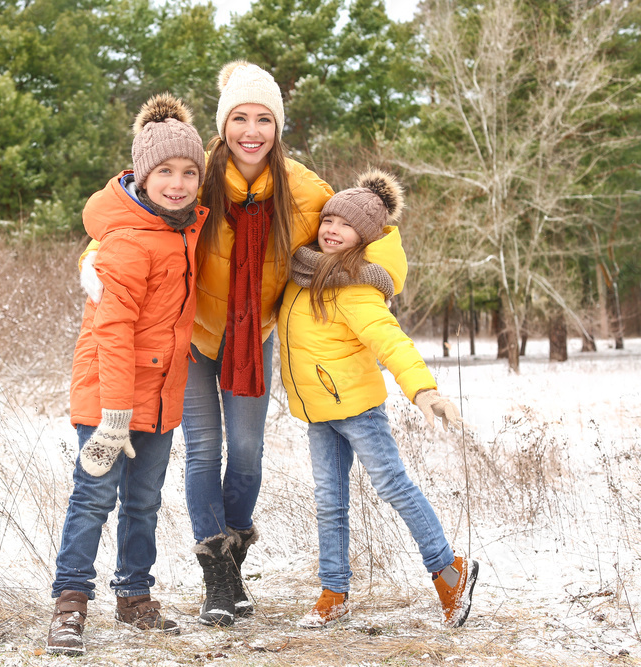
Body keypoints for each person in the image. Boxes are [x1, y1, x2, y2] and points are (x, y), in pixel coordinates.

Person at [81, 60, 408, 627]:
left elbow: (371, 233)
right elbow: (122, 214)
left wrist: (380, 280)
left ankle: (237, 545)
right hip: (194, 337)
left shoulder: (306, 191)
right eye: (238, 118)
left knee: (249, 454)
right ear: (222, 123)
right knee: (204, 451)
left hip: (254, 336)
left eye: (263, 119)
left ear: (279, 126)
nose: (250, 131)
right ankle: (219, 576)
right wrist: (91, 260)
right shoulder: (193, 172)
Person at [277, 169, 478, 629]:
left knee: (393, 486)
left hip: (359, 411)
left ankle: (450, 572)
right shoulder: (302, 271)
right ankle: (333, 592)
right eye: (328, 219)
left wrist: (424, 390)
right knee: (329, 502)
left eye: (345, 226)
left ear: (362, 237)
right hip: (319, 413)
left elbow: (390, 340)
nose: (332, 229)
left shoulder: (354, 284)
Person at [46, 93, 209, 655]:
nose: (178, 183)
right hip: (108, 402)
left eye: (189, 172)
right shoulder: (126, 241)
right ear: (142, 174)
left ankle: (135, 597)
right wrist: (114, 417)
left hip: (161, 402)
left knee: (143, 503)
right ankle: (70, 605)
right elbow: (111, 333)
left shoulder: (183, 232)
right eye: (165, 171)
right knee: (92, 501)